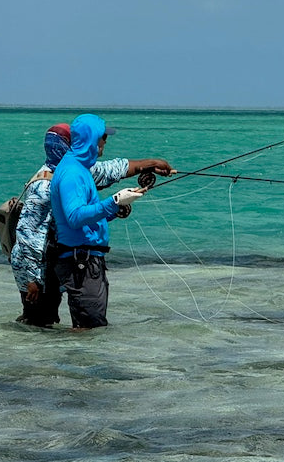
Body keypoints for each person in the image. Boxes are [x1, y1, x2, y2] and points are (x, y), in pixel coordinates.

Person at [10, 121, 173, 327]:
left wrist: (150, 164)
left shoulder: (73, 169)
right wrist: (31, 280)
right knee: (38, 321)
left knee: (47, 325)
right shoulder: (45, 186)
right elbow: (28, 235)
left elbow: (111, 170)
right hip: (35, 265)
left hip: (55, 257)